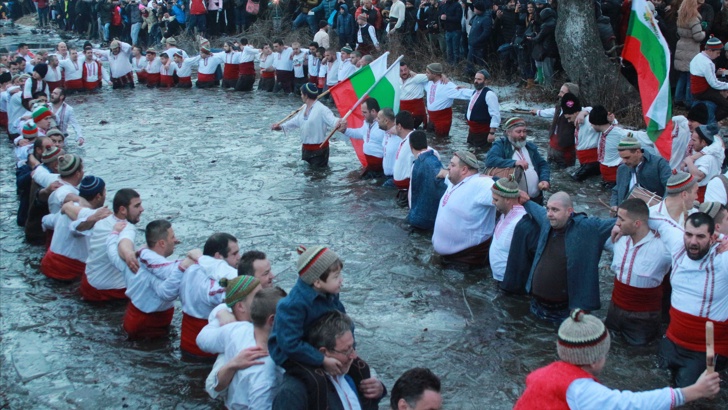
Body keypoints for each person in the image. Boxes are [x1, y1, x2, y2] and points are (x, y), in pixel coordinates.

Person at [514, 309, 720, 409]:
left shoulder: (544, 374)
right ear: (594, 360)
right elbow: (633, 405)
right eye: (604, 354)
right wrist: (693, 392)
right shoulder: (581, 390)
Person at [269, 246, 384, 410]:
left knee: (361, 368)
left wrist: (350, 349)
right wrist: (321, 359)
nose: (341, 280)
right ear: (317, 282)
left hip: (318, 342)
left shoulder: (330, 292)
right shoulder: (292, 305)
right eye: (336, 276)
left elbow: (345, 322)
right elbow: (290, 344)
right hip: (290, 354)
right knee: (316, 379)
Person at [650, 212, 728, 386]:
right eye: (689, 234)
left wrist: (725, 238)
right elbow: (652, 216)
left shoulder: (723, 258)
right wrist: (617, 224)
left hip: (705, 350)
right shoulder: (678, 243)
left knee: (690, 397)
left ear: (712, 237)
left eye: (700, 237)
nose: (693, 242)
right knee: (657, 387)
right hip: (672, 341)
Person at [521, 192, 615, 322]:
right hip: (536, 306)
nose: (549, 214)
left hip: (566, 312)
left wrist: (619, 224)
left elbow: (625, 220)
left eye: (555, 210)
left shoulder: (588, 227)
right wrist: (525, 201)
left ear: (569, 211)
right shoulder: (548, 222)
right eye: (548, 209)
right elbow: (538, 211)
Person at [272, 311, 386, 410]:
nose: (354, 356)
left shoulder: (353, 374)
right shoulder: (293, 392)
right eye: (346, 351)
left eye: (353, 346)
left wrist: (379, 391)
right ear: (323, 352)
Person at [197, 284, 281, 409]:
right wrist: (232, 365)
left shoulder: (235, 329)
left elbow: (202, 341)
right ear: (272, 320)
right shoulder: (264, 371)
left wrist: (220, 311)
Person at [110, 219, 196, 339]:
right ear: (162, 243)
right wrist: (199, 260)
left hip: (138, 319)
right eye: (172, 237)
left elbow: (113, 254)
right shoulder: (154, 268)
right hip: (144, 325)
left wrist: (114, 234)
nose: (175, 240)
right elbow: (170, 280)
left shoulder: (132, 261)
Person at [605, 198, 671, 346]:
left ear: (637, 223)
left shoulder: (663, 248)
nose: (617, 223)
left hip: (644, 318)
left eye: (622, 219)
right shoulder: (618, 238)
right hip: (614, 311)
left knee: (638, 354)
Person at [179, 233, 241, 358]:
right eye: (234, 254)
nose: (239, 257)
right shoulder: (214, 283)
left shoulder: (190, 269)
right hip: (206, 351)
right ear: (218, 257)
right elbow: (238, 289)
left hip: (186, 342)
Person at [75, 188, 143, 302]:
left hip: (88, 283)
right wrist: (129, 255)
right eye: (137, 206)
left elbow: (74, 221)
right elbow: (125, 243)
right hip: (110, 291)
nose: (142, 209)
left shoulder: (100, 219)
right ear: (122, 209)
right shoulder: (127, 228)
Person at [432, 151, 496, 269]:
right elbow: (445, 174)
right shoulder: (454, 180)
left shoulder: (482, 184)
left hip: (466, 262)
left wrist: (496, 179)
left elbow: (506, 195)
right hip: (448, 258)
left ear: (464, 170)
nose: (448, 167)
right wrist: (443, 173)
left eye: (452, 165)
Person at [40, 176, 110, 281]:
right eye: (104, 192)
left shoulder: (69, 208)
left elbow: (47, 221)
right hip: (69, 272)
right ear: (98, 196)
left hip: (48, 265)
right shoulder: (96, 216)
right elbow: (77, 229)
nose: (106, 195)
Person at [272, 83, 339, 168]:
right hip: (306, 150)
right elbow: (295, 121)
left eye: (301, 94)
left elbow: (332, 120)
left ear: (306, 95)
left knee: (318, 175)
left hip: (319, 151)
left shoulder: (322, 109)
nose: (301, 96)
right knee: (307, 174)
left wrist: (338, 122)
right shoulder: (303, 108)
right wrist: (281, 127)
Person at [485, 117, 550, 204]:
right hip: (516, 199)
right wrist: (514, 162)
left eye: (524, 131)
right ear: (508, 132)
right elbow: (490, 160)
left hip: (537, 198)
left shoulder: (530, 147)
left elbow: (542, 164)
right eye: (518, 132)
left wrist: (544, 179)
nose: (522, 135)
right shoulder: (501, 145)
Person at [609, 136, 672, 207]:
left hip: (653, 208)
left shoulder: (659, 163)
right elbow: (617, 189)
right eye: (622, 158)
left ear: (638, 152)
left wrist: (662, 207)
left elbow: (669, 186)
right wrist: (614, 204)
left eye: (627, 157)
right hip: (626, 209)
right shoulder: (622, 169)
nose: (624, 161)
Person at [489, 177, 527, 282]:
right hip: (499, 278)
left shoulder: (520, 223)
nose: (492, 202)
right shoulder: (504, 213)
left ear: (508, 200)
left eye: (496, 199)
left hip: (509, 282)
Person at [407, 131, 446, 231]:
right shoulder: (432, 159)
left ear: (410, 146)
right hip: (423, 216)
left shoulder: (424, 162)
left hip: (420, 217)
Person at [339, 97, 386, 176]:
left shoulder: (384, 126)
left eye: (364, 112)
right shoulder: (367, 123)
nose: (362, 115)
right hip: (370, 166)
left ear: (373, 111)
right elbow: (359, 133)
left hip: (381, 169)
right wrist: (344, 130)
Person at [423, 63, 469, 137]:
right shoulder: (428, 83)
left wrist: (478, 92)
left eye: (427, 73)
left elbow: (462, 93)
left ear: (434, 74)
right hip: (431, 118)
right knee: (430, 139)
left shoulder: (447, 85)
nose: (425, 74)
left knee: (441, 140)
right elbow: (416, 78)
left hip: (443, 120)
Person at [690, 36, 728, 121]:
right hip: (703, 91)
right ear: (710, 51)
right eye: (717, 53)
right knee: (726, 106)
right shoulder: (708, 63)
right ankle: (711, 121)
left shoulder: (698, 56)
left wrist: (716, 73)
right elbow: (714, 84)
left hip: (696, 90)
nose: (718, 55)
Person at [590, 105, 629, 187]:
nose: (591, 126)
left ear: (596, 123)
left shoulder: (619, 133)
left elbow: (638, 138)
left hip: (615, 179)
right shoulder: (602, 132)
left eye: (592, 124)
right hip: (605, 176)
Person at [683, 125, 724, 202]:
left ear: (703, 142)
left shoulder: (707, 158)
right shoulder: (705, 154)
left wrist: (689, 162)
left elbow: (699, 176)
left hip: (701, 196)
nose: (691, 143)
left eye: (694, 140)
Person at [462, 69, 500, 148]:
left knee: (481, 152)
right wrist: (462, 88)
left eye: (479, 79)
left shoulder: (489, 94)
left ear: (486, 81)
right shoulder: (475, 92)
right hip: (472, 131)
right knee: (470, 150)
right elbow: (466, 92)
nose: (476, 81)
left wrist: (492, 133)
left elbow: (495, 115)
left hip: (482, 132)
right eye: (475, 79)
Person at [399, 62, 429, 129]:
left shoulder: (416, 78)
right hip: (404, 114)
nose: (404, 72)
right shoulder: (397, 81)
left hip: (417, 114)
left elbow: (433, 75)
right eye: (401, 71)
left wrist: (442, 76)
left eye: (405, 69)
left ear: (408, 69)